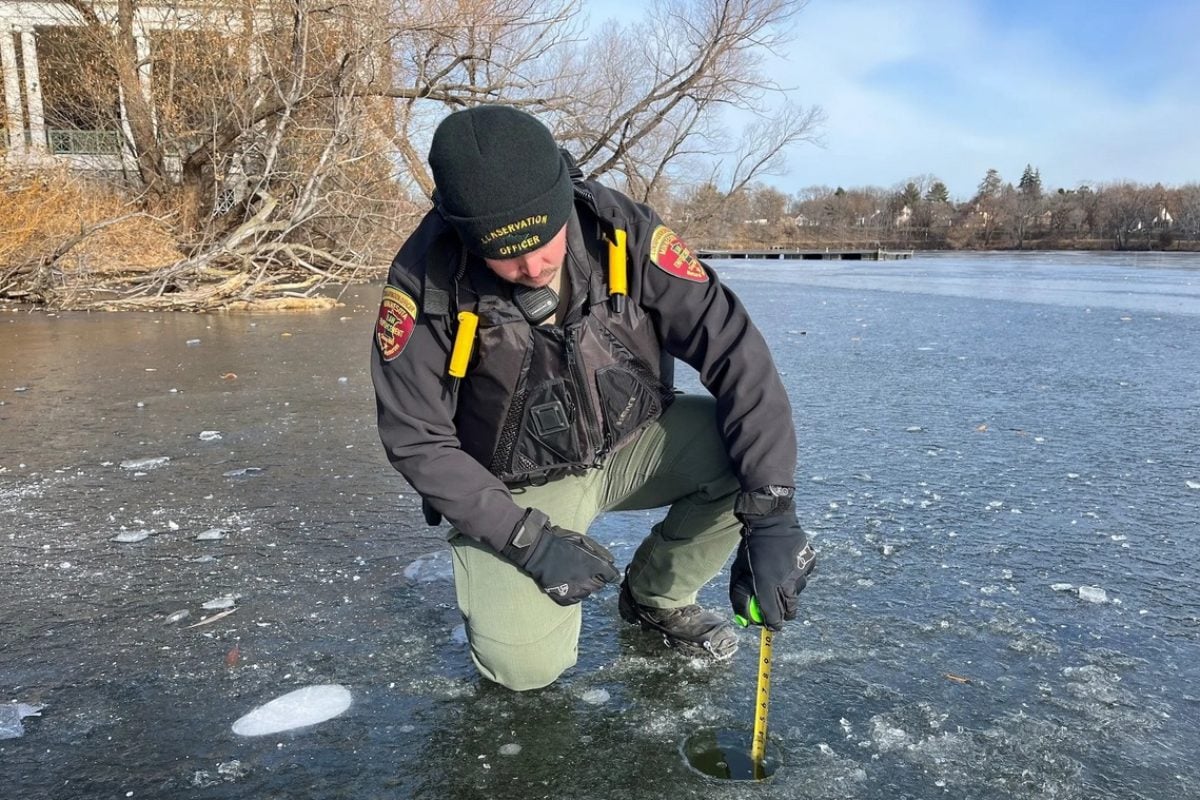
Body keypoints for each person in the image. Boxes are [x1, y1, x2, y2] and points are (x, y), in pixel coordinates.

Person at [371, 105, 815, 692]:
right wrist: (523, 539)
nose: (532, 267)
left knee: (743, 458)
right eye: (504, 253)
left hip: (633, 440)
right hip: (516, 489)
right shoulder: (422, 285)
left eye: (544, 241)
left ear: (564, 197)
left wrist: (774, 512)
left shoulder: (623, 233)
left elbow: (736, 354)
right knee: (525, 671)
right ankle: (511, 584)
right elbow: (416, 439)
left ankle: (656, 596)